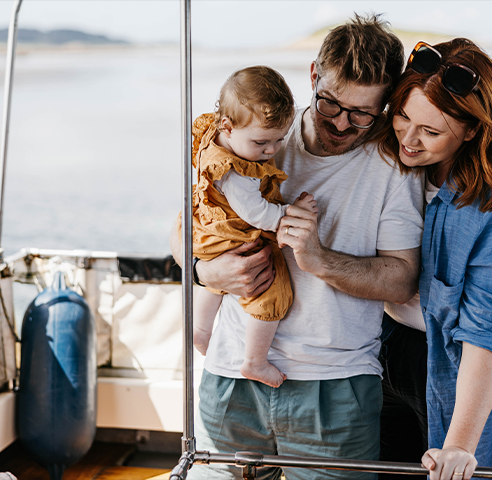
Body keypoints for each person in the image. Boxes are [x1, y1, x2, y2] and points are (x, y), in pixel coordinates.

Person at [170, 14, 425, 480]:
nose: (343, 124)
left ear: (386, 104)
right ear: (313, 77)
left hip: (335, 386)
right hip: (230, 376)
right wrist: (203, 271)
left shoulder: (396, 167)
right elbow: (185, 224)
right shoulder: (263, 135)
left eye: (363, 113)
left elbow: (402, 276)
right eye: (330, 104)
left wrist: (319, 259)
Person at [378, 38, 492, 480]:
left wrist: (459, 445)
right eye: (402, 117)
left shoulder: (483, 210)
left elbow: (484, 334)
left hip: (455, 365)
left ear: (470, 129)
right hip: (383, 350)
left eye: (430, 131)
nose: (407, 139)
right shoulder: (386, 161)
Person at [183, 66, 318, 388]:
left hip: (208, 232)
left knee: (215, 281)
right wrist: (290, 212)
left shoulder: (215, 139)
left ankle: (200, 331)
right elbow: (256, 213)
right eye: (262, 142)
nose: (271, 151)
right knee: (273, 289)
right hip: (234, 233)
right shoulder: (238, 172)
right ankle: (254, 361)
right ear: (227, 127)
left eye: (279, 140)